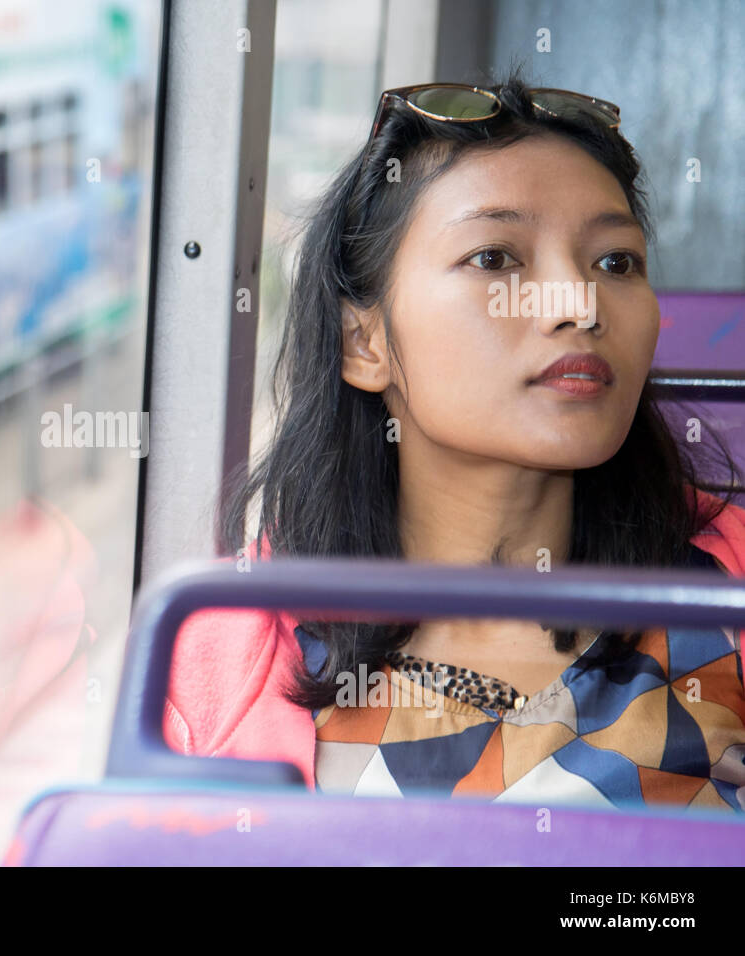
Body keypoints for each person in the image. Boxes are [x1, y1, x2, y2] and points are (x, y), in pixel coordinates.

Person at [163, 69, 745, 812]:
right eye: (496, 258)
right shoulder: (218, 651)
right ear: (364, 341)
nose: (579, 304)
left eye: (614, 262)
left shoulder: (721, 600)